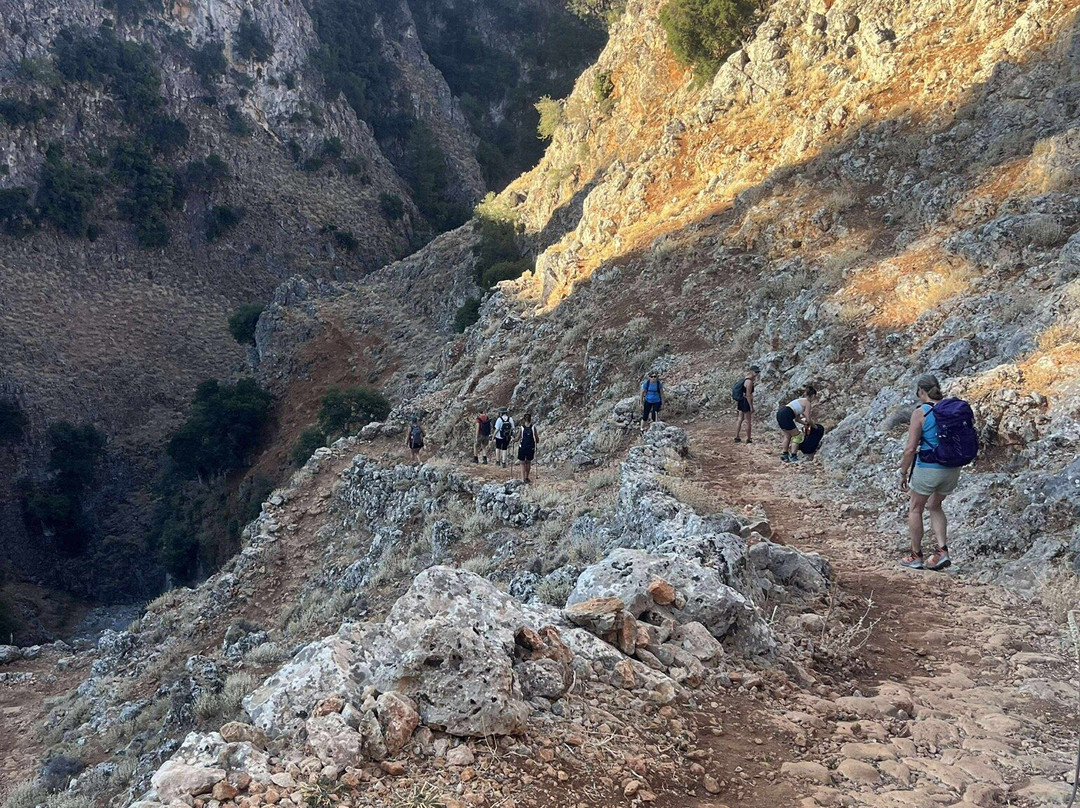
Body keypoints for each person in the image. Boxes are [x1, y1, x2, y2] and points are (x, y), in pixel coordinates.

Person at [899, 374, 959, 571]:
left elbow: (910, 449)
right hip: (952, 468)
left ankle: (916, 556)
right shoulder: (952, 409)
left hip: (928, 467)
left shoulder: (921, 412)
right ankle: (942, 552)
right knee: (935, 505)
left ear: (921, 391)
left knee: (915, 508)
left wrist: (903, 472)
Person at [776, 385, 818, 462]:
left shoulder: (801, 400)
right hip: (787, 415)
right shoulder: (807, 403)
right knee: (797, 436)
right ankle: (793, 456)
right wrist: (814, 426)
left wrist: (804, 423)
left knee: (788, 435)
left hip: (781, 413)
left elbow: (797, 419)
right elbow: (808, 418)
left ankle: (784, 454)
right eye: (814, 397)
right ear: (813, 395)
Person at [733, 366, 760, 444]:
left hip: (741, 400)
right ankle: (748, 438)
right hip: (746, 402)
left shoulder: (744, 379)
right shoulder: (749, 382)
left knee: (740, 419)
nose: (757, 374)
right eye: (756, 372)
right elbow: (748, 395)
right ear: (751, 371)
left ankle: (737, 437)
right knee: (748, 421)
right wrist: (751, 406)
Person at [517, 414, 539, 484]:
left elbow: (517, 438)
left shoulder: (522, 428)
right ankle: (527, 477)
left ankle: (523, 478)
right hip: (531, 446)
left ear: (524, 420)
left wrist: (513, 440)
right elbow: (537, 438)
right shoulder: (533, 427)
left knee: (522, 462)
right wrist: (536, 442)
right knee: (528, 462)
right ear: (530, 419)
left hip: (523, 447)